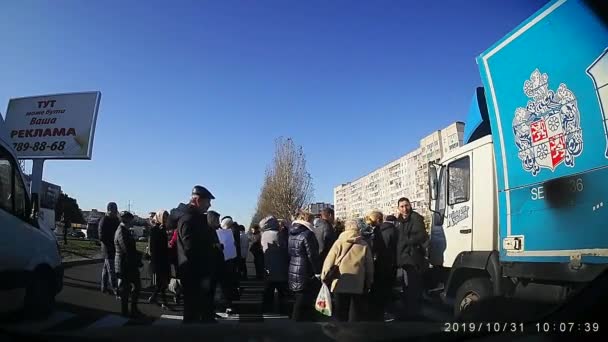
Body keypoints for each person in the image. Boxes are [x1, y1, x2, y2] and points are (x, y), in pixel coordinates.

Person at [177, 185, 217, 324]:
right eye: (207, 201)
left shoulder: (197, 219)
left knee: (201, 312)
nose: (209, 205)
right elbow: (191, 250)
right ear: (198, 200)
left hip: (200, 273)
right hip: (194, 275)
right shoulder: (188, 220)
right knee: (192, 315)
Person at [321, 219, 374, 322]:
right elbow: (369, 266)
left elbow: (329, 261)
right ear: (358, 229)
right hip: (357, 282)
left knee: (340, 312)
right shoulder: (363, 244)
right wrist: (369, 282)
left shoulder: (338, 242)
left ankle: (340, 334)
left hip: (339, 280)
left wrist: (324, 277)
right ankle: (353, 334)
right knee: (355, 312)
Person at [395, 197, 429, 320]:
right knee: (406, 286)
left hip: (413, 257)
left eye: (406, 205)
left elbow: (421, 236)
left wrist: (406, 241)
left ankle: (414, 314)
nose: (405, 208)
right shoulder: (398, 221)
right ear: (398, 208)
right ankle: (408, 310)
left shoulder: (416, 218)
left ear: (410, 205)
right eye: (402, 206)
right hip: (402, 258)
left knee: (413, 286)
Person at [288, 211, 321, 321]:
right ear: (308, 220)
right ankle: (297, 326)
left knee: (299, 298)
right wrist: (317, 272)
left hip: (294, 268)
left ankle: (299, 323)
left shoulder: (292, 233)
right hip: (305, 270)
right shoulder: (308, 234)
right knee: (303, 301)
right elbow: (312, 255)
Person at [367, 212, 398, 321]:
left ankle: (380, 313)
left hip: (381, 264)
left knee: (381, 289)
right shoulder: (391, 230)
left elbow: (377, 249)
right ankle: (384, 312)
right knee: (386, 289)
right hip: (388, 264)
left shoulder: (379, 231)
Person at [114, 211, 144, 318]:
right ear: (125, 219)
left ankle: (133, 309)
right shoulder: (121, 231)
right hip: (124, 264)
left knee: (136, 287)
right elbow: (127, 249)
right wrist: (138, 260)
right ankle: (125, 311)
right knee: (125, 290)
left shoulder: (125, 230)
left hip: (130, 264)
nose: (132, 221)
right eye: (131, 219)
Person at [260, 216, 289, 313]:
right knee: (282, 292)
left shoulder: (264, 234)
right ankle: (282, 310)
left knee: (268, 291)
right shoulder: (278, 234)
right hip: (280, 266)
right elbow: (285, 248)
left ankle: (267, 309)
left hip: (268, 265)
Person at [147, 210, 170, 309]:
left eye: (166, 218)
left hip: (164, 259)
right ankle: (164, 302)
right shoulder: (155, 230)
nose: (165, 220)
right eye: (164, 217)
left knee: (163, 282)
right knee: (162, 282)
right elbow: (153, 248)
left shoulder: (163, 229)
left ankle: (153, 297)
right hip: (158, 260)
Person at [217, 214, 239, 309]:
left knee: (227, 283)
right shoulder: (235, 230)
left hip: (228, 260)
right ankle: (232, 301)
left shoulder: (229, 233)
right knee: (231, 282)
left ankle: (228, 303)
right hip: (232, 260)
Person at [99, 202, 120, 296]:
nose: (114, 212)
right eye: (113, 210)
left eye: (115, 210)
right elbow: (101, 236)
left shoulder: (116, 220)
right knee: (111, 270)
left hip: (115, 247)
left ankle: (103, 287)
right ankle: (115, 288)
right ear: (108, 210)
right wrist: (111, 243)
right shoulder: (104, 220)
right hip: (107, 248)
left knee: (106, 269)